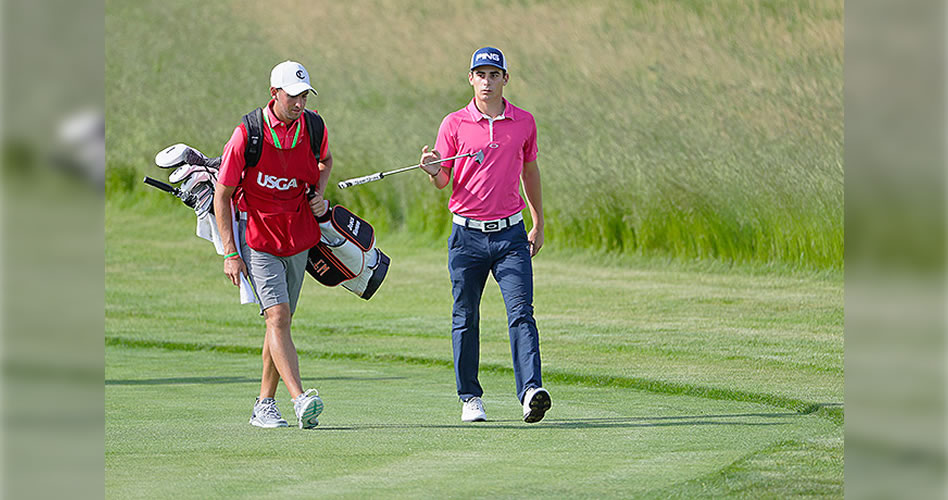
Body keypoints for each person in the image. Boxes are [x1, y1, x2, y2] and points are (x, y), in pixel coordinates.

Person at [419, 47, 551, 423]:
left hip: (511, 235)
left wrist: (538, 221)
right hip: (466, 237)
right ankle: (470, 397)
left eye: (494, 75)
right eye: (481, 75)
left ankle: (530, 392)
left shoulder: (524, 122)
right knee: (465, 316)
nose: (487, 82)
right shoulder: (454, 123)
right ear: (471, 79)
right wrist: (434, 169)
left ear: (505, 79)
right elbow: (444, 180)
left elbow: (530, 172)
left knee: (522, 313)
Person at [213, 60, 330, 429]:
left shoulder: (314, 127)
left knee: (280, 322)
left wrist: (318, 194)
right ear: (274, 93)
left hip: (298, 234)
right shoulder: (247, 134)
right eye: (292, 96)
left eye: (304, 96)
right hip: (258, 237)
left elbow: (325, 161)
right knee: (277, 317)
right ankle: (300, 400)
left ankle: (264, 405)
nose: (299, 103)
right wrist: (231, 253)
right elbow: (222, 195)